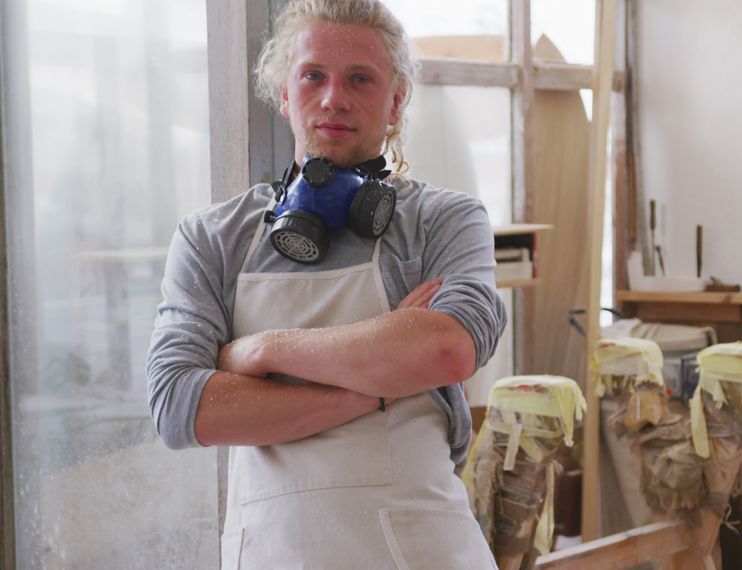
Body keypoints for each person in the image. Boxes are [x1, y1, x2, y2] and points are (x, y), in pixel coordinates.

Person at [146, 1, 505, 567]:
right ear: (284, 94)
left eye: (360, 79)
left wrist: (260, 350)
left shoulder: (445, 219)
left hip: (420, 551)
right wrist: (380, 386)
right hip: (269, 549)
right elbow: (181, 407)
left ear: (395, 102)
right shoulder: (212, 237)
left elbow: (446, 346)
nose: (334, 98)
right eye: (313, 76)